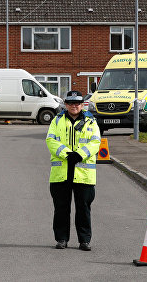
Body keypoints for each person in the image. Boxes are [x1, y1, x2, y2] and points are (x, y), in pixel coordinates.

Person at [45, 90, 101, 251]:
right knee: (61, 209)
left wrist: (79, 155)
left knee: (83, 209)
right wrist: (66, 154)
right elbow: (50, 140)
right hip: (61, 173)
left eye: (77, 103)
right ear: (66, 104)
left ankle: (84, 241)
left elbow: (95, 142)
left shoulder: (91, 122)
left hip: (83, 174)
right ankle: (61, 239)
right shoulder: (57, 121)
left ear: (82, 105)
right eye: (70, 103)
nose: (74, 106)